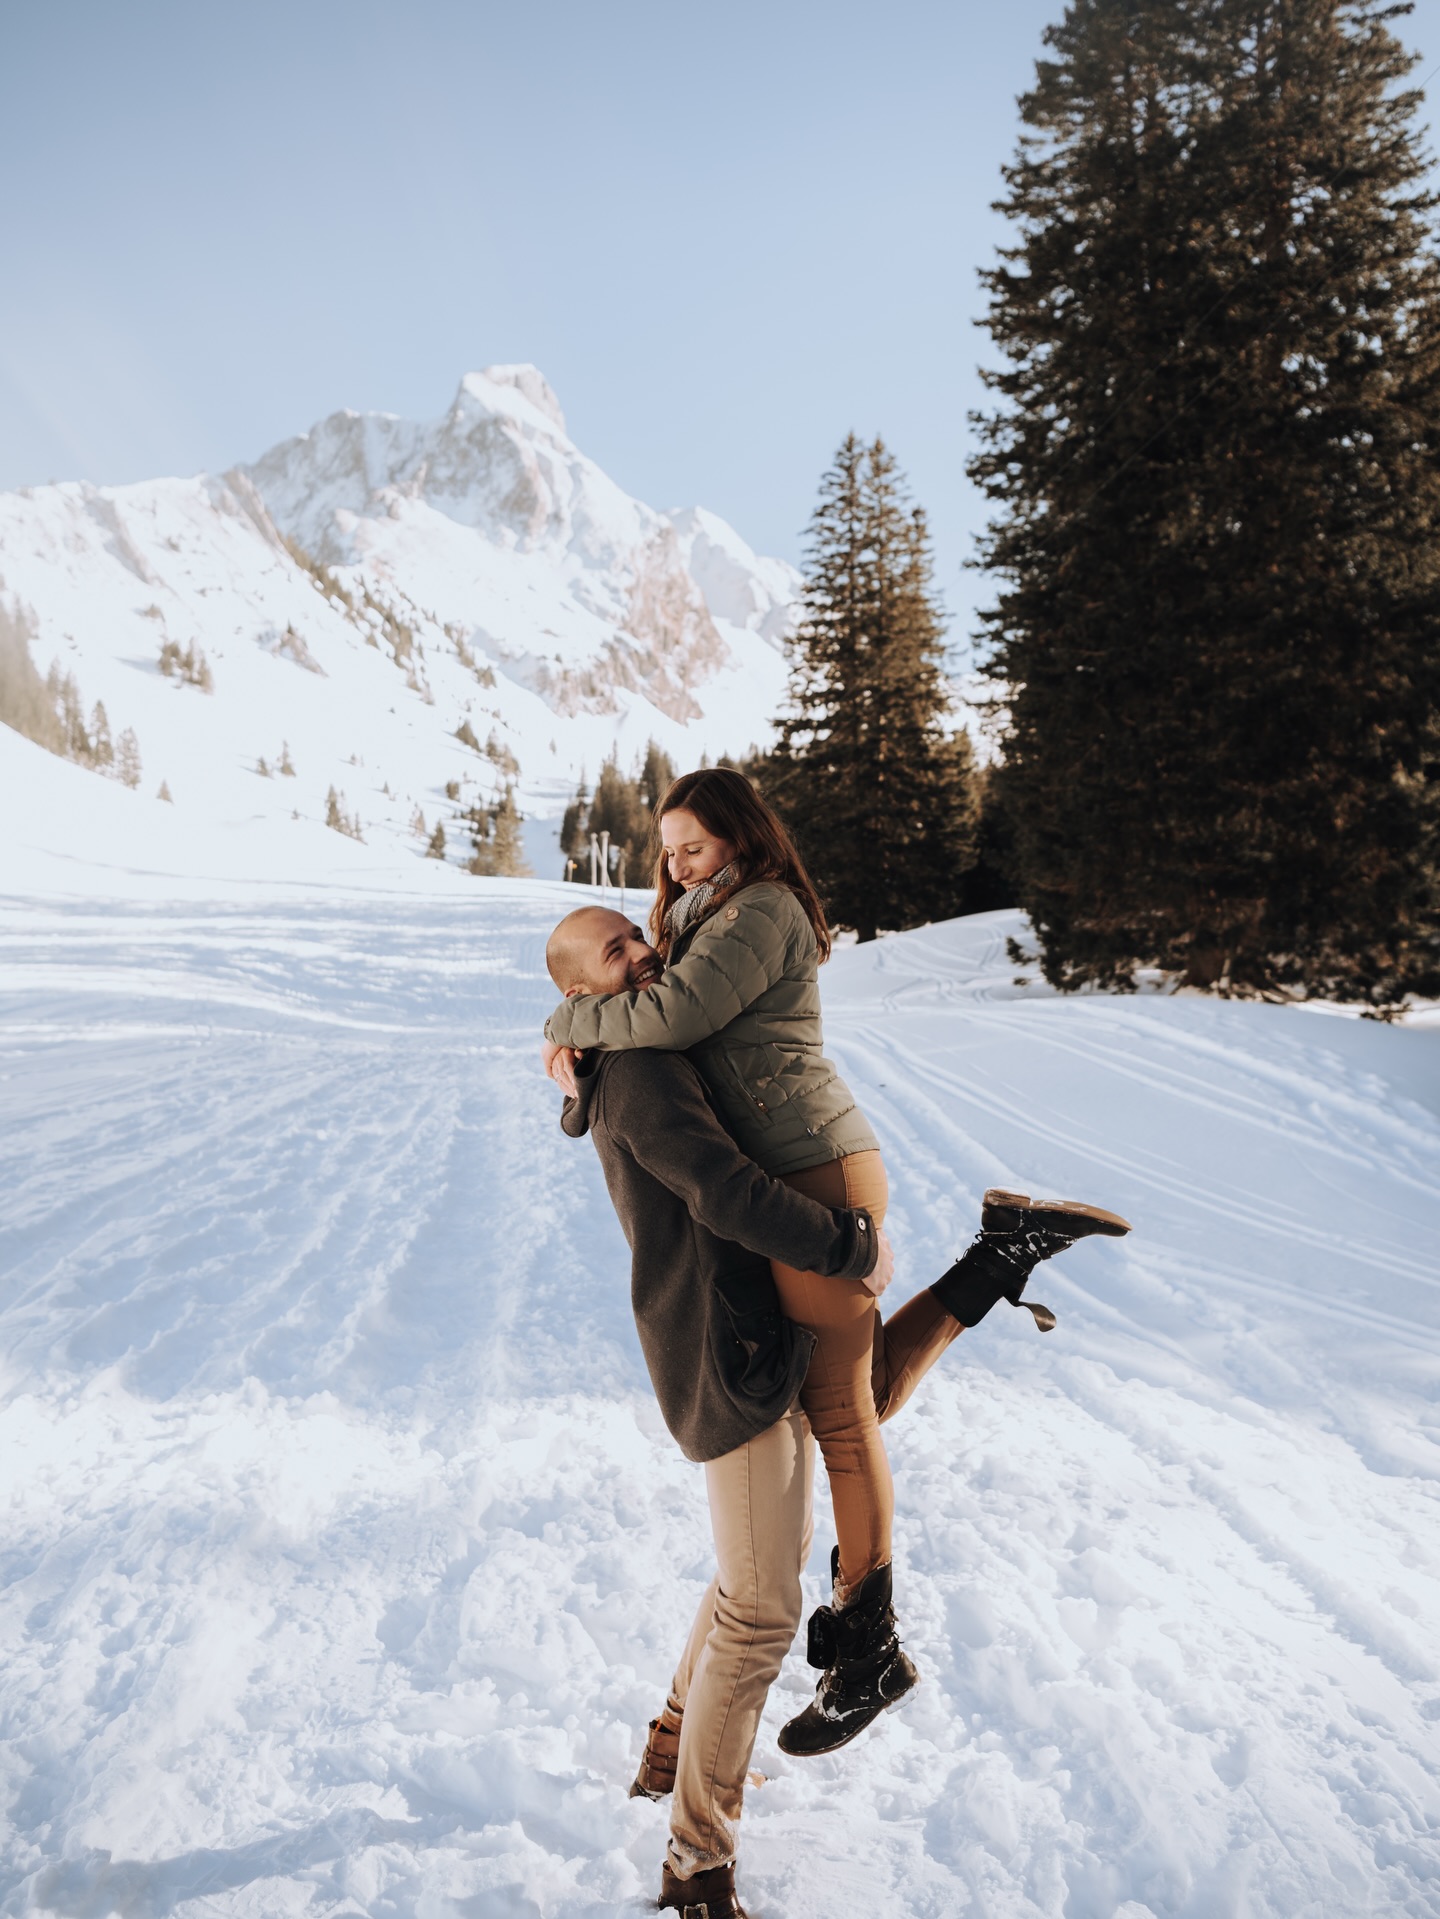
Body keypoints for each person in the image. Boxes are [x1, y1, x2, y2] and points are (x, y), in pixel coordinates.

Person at [545, 902, 1130, 1919]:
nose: (642, 955)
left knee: (839, 1431)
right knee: (762, 1606)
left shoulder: (633, 1047)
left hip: (748, 1325)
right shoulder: (634, 1068)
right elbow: (723, 1187)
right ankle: (697, 1868)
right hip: (729, 1350)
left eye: (639, 938)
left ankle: (671, 1749)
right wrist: (846, 1244)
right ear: (579, 991)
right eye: (616, 952)